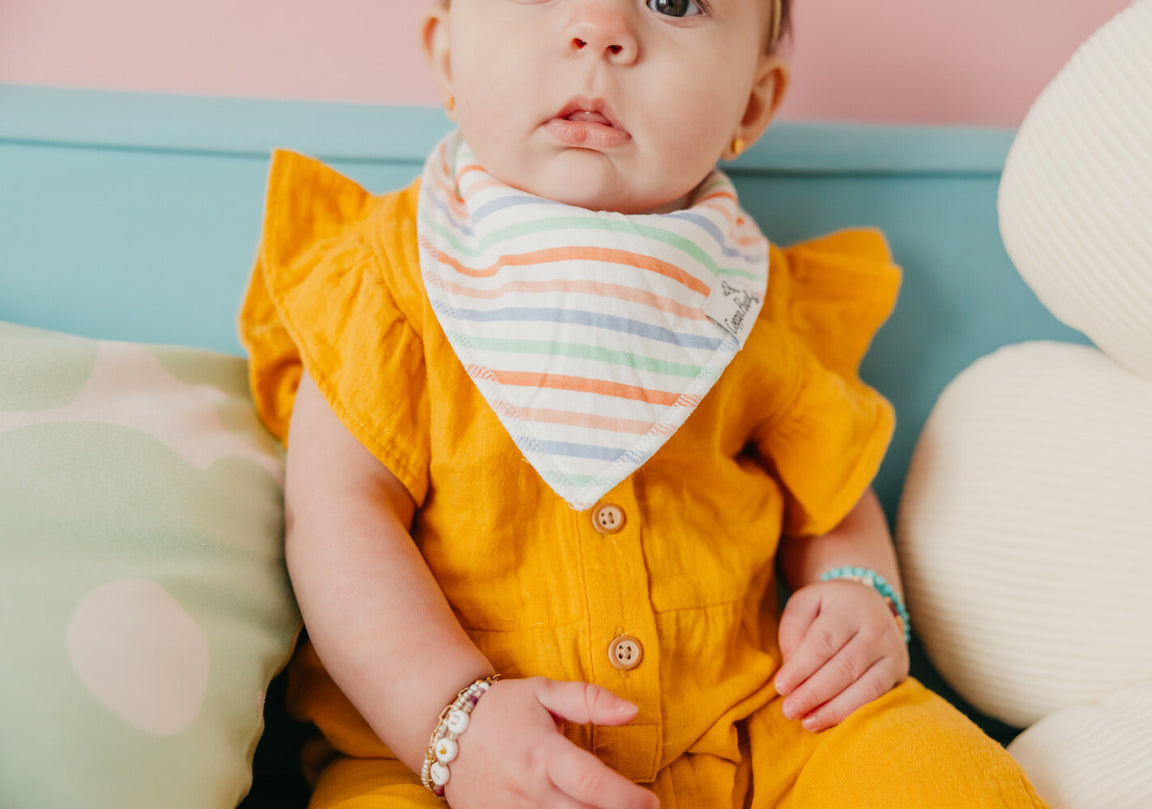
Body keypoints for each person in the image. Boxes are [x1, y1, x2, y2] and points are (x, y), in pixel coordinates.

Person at [239, 0, 1052, 805]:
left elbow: (831, 498)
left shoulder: (750, 297)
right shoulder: (389, 279)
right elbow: (336, 515)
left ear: (754, 101)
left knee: (939, 774)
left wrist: (859, 593)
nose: (600, 28)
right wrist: (452, 721)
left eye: (673, 1)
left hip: (751, 729)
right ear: (448, 54)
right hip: (448, 765)